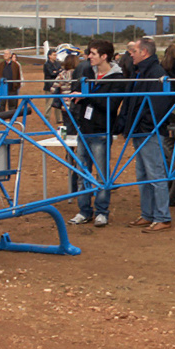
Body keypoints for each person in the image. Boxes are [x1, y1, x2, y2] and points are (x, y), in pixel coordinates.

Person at [68, 40, 125, 228]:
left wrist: (87, 96)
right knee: (83, 172)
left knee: (101, 174)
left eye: (92, 53)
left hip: (102, 131)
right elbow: (81, 98)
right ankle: (84, 211)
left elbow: (111, 105)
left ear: (104, 56)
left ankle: (102, 212)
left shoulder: (117, 79)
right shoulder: (86, 73)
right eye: (89, 53)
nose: (89, 56)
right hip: (84, 130)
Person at [125, 37, 172, 232]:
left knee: (155, 174)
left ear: (144, 52)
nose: (131, 55)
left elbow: (157, 106)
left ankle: (162, 216)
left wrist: (144, 126)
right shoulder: (142, 72)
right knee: (143, 174)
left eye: (134, 51)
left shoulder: (156, 73)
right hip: (140, 130)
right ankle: (148, 214)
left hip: (149, 132)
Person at [0, 49, 22, 118]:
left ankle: (12, 119)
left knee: (12, 105)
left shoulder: (15, 66)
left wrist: (16, 86)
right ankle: (1, 119)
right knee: (1, 105)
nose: (5, 55)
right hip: (2, 89)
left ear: (10, 55)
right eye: (4, 54)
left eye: (6, 54)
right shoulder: (0, 66)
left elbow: (18, 77)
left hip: (12, 89)